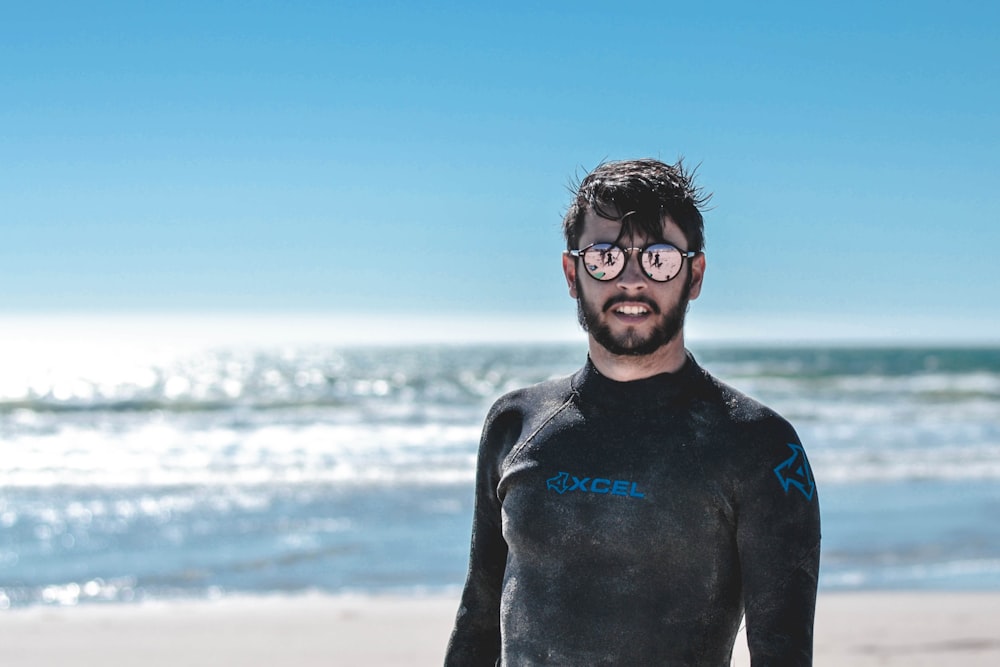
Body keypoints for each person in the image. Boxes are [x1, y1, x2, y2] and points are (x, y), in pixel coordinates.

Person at [445, 158, 821, 666]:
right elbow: (478, 620)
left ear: (694, 275)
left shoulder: (759, 446)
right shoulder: (515, 425)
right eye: (605, 256)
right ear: (572, 273)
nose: (631, 280)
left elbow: (784, 654)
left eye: (659, 258)